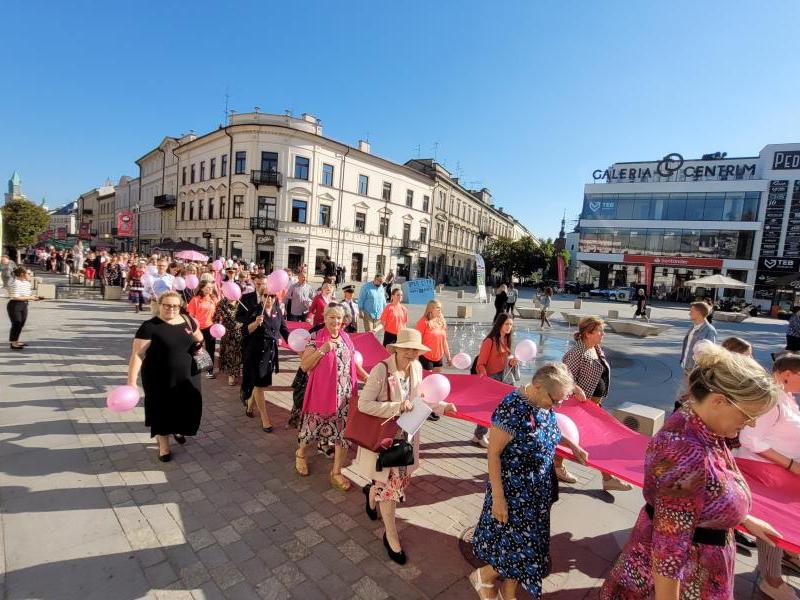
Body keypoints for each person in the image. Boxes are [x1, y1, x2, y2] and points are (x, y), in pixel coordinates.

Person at [601, 344, 782, 600]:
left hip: (697, 564)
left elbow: (706, 492)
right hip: (688, 577)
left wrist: (742, 518)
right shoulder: (686, 454)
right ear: (718, 401)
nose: (751, 423)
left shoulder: (701, 423)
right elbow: (669, 551)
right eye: (748, 414)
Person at [470, 363, 589, 600]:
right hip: (513, 493)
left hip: (537, 492)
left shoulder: (542, 402)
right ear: (536, 386)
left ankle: (508, 592)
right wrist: (499, 499)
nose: (556, 406)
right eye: (554, 400)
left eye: (560, 401)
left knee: (528, 547)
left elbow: (550, 430)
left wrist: (573, 445)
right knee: (516, 548)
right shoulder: (511, 408)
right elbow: (493, 454)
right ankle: (483, 576)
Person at [356, 328, 457, 565]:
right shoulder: (381, 369)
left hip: (406, 439)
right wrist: (397, 407)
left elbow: (421, 398)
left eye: (416, 350)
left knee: (391, 484)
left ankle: (371, 493)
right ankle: (390, 535)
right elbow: (363, 404)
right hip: (384, 440)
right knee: (390, 489)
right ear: (397, 348)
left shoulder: (417, 367)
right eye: (408, 349)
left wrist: (443, 407)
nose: (412, 353)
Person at [736, 353, 800, 600]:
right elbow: (750, 439)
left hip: (780, 474)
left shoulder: (785, 396)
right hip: (766, 473)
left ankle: (787, 556)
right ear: (787, 375)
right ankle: (772, 580)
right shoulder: (772, 400)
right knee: (774, 523)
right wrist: (790, 464)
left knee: (781, 522)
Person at [127, 290, 205, 462]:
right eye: (167, 305)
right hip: (159, 379)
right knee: (161, 410)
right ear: (159, 305)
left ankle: (178, 429)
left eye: (175, 306)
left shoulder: (188, 320)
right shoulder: (149, 327)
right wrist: (131, 382)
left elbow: (199, 338)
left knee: (186, 406)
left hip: (188, 376)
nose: (171, 309)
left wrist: (199, 346)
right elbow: (137, 355)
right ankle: (164, 446)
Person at [296, 305, 368, 490]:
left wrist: (367, 378)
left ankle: (336, 472)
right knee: (312, 429)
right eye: (332, 317)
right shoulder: (316, 337)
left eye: (339, 318)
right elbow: (305, 366)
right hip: (322, 394)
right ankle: (301, 454)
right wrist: (323, 350)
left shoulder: (346, 337)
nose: (336, 321)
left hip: (345, 396)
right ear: (325, 317)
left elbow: (353, 363)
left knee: (343, 434)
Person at [561, 316, 632, 491]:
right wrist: (576, 388)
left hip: (593, 406)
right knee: (594, 440)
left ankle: (558, 467)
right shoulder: (577, 352)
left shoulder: (595, 349)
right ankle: (607, 478)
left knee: (573, 438)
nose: (603, 334)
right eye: (600, 331)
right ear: (588, 333)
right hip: (580, 407)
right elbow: (563, 376)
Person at [238, 289, 289, 432]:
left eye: (272, 296)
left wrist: (297, 343)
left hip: (269, 353)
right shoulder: (254, 311)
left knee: (260, 382)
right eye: (266, 295)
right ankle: (265, 418)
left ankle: (249, 405)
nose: (269, 298)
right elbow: (244, 331)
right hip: (255, 353)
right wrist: (255, 324)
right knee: (259, 384)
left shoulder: (277, 311)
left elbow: (284, 330)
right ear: (261, 296)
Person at [472, 314, 520, 448]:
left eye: (511, 324)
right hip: (492, 379)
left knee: (505, 408)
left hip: (505, 378)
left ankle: (487, 435)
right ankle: (480, 435)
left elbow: (505, 361)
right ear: (500, 324)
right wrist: (486, 380)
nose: (509, 327)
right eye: (506, 324)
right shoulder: (489, 341)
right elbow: (480, 364)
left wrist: (512, 362)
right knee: (488, 409)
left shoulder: (507, 340)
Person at [186, 282, 219, 379]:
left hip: (210, 327)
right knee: (197, 348)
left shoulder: (213, 299)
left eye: (211, 287)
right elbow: (191, 316)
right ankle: (196, 368)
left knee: (210, 349)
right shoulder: (195, 300)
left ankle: (209, 371)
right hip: (198, 328)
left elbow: (218, 312)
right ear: (202, 288)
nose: (210, 289)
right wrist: (192, 328)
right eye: (208, 287)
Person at [680, 301, 718, 375]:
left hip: (697, 372)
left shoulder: (709, 330)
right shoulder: (693, 327)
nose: (689, 313)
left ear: (699, 313)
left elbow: (710, 355)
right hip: (686, 367)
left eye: (692, 311)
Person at [213, 296, 243, 386]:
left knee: (239, 353)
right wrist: (217, 325)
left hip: (240, 331)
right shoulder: (222, 303)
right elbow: (215, 318)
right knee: (230, 354)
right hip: (228, 333)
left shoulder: (241, 302)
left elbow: (247, 314)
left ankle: (237, 372)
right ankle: (231, 375)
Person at [7, 267, 39, 350]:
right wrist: (30, 297)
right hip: (15, 305)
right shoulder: (16, 282)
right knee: (16, 324)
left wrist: (34, 297)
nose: (30, 275)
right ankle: (13, 343)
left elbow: (27, 295)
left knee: (21, 324)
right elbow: (15, 297)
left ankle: (16, 341)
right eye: (28, 273)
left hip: (24, 304)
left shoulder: (27, 283)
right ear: (22, 274)